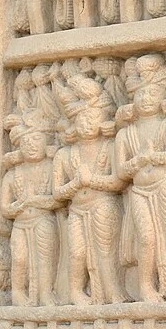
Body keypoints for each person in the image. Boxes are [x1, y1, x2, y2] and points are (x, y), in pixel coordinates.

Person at [116, 54, 166, 302]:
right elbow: (121, 172)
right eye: (140, 94)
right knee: (146, 238)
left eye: (152, 93)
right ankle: (145, 287)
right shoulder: (125, 134)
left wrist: (152, 156)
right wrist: (137, 161)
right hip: (141, 190)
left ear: (164, 96)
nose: (145, 98)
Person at [54, 75, 130, 305]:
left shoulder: (110, 146)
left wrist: (91, 180)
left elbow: (118, 182)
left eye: (91, 117)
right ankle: (77, 292)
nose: (86, 123)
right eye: (81, 119)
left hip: (104, 204)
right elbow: (57, 193)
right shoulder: (64, 155)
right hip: (78, 208)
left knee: (107, 252)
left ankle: (113, 292)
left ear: (102, 121)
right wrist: (76, 183)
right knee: (77, 253)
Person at [2, 111, 61, 306]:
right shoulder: (12, 175)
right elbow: (5, 209)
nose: (31, 146)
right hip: (21, 223)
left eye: (36, 140)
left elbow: (57, 199)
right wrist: (20, 205)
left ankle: (45, 293)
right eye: (26, 142)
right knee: (19, 259)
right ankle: (18, 293)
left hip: (43, 220)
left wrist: (33, 200)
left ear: (47, 143)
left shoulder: (52, 167)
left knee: (45, 259)